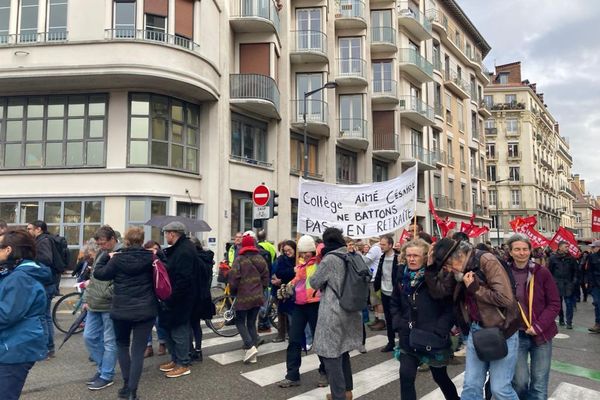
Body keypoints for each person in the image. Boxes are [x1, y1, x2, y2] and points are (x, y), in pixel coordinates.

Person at [426, 238, 520, 400]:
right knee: (471, 386)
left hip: (503, 331)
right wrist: (430, 268)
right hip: (476, 330)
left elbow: (505, 298)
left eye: (448, 265)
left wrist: (475, 289)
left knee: (500, 389)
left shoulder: (487, 261)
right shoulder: (458, 271)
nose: (448, 269)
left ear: (459, 256)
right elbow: (439, 292)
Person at [93, 227, 159, 400]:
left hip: (121, 310)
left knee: (122, 345)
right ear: (142, 240)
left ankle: (125, 384)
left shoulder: (117, 259)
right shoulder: (151, 257)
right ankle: (132, 392)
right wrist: (157, 253)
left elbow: (99, 274)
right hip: (145, 310)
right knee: (138, 351)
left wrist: (106, 257)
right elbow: (166, 269)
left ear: (127, 241)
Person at [390, 239, 459, 400]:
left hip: (431, 336)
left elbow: (449, 307)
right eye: (408, 255)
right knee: (406, 378)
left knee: (440, 377)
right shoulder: (401, 276)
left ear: (425, 257)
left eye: (416, 255)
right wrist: (398, 322)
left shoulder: (436, 276)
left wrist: (440, 329)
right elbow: (394, 302)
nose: (412, 259)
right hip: (408, 335)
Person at [0, 229, 53, 400]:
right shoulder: (16, 273)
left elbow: (6, 315)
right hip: (13, 345)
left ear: (8, 250)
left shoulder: (20, 278)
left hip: (15, 348)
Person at [506, 234, 560, 400]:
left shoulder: (541, 272)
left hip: (541, 334)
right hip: (516, 335)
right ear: (510, 252)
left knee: (539, 385)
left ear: (530, 250)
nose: (521, 253)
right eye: (517, 249)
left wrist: (538, 326)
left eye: (525, 249)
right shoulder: (503, 273)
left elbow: (554, 303)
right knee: (519, 382)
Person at [310, 227, 362, 400]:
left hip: (333, 311)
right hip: (352, 310)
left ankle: (338, 396)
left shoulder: (330, 258)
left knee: (331, 354)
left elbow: (315, 281)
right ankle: (347, 392)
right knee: (343, 350)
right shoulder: (352, 255)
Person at [278, 235, 328, 388]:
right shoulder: (299, 264)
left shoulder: (319, 262)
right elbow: (298, 280)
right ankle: (292, 376)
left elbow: (322, 249)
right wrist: (288, 287)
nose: (305, 254)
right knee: (293, 340)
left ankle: (324, 372)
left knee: (319, 341)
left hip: (315, 304)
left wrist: (316, 246)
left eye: (308, 251)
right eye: (302, 251)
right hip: (299, 305)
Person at [158, 221, 198, 378]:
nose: (165, 236)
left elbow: (183, 278)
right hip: (176, 296)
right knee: (171, 330)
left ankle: (183, 363)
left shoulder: (185, 250)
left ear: (172, 234)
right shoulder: (179, 248)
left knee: (179, 331)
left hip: (181, 298)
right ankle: (175, 360)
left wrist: (171, 298)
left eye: (166, 233)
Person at [83, 225, 120, 390]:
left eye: (104, 243)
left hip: (109, 304)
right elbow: (93, 277)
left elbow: (122, 280)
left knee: (109, 341)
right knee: (89, 337)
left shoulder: (121, 253)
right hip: (94, 303)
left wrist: (107, 293)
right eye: (99, 244)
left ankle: (106, 374)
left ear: (113, 239)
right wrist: (86, 297)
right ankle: (102, 368)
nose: (101, 246)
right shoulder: (101, 253)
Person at [229, 233, 269, 363]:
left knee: (240, 321)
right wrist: (260, 289)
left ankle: (250, 346)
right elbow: (265, 278)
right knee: (251, 323)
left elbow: (234, 279)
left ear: (243, 245)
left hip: (243, 296)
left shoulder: (239, 259)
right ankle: (253, 354)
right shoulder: (260, 259)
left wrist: (233, 291)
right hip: (257, 296)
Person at [26, 220, 61, 358]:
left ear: (38, 229)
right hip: (48, 284)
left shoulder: (43, 241)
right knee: (44, 316)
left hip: (46, 285)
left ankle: (47, 348)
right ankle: (48, 348)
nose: (28, 231)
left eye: (30, 228)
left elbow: (46, 259)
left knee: (43, 317)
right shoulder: (43, 240)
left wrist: (32, 258)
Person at [189, 237, 215, 362]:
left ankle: (191, 350)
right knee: (196, 325)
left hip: (193, 296)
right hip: (204, 296)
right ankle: (198, 350)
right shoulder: (207, 257)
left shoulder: (195, 259)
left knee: (189, 324)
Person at [373, 234, 400, 351]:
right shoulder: (382, 257)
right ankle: (391, 342)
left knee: (398, 318)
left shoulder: (398, 257)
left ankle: (403, 342)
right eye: (380, 244)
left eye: (383, 244)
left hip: (396, 293)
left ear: (390, 245)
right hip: (385, 292)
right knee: (388, 319)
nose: (381, 246)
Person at [142, 240, 167, 358]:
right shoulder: (144, 260)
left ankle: (162, 342)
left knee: (158, 321)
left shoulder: (162, 259)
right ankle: (148, 345)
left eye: (156, 249)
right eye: (152, 250)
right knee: (146, 321)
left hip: (158, 293)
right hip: (146, 293)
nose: (155, 252)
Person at [548, 241, 579, 329]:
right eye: (566, 247)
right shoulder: (553, 258)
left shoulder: (571, 258)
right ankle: (561, 318)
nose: (567, 248)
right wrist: (551, 283)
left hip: (568, 284)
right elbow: (549, 272)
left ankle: (569, 322)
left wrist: (574, 282)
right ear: (560, 247)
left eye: (568, 247)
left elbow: (575, 271)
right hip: (557, 284)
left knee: (569, 303)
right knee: (559, 304)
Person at [271, 240, 297, 342]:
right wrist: (292, 271)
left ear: (294, 249)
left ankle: (292, 335)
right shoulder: (281, 259)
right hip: (282, 290)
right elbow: (280, 272)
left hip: (295, 291)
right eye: (285, 250)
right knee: (282, 313)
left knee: (292, 314)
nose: (287, 252)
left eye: (289, 250)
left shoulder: (298, 259)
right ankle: (281, 335)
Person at [364, 238, 384, 329]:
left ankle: (381, 321)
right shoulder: (376, 247)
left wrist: (357, 254)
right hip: (373, 277)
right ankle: (377, 319)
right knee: (375, 302)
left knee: (378, 301)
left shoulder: (375, 248)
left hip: (375, 277)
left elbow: (366, 260)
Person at [586, 240, 600, 333]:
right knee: (597, 303)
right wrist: (588, 282)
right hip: (595, 284)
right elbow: (589, 270)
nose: (592, 249)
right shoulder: (591, 256)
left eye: (593, 247)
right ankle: (597, 324)